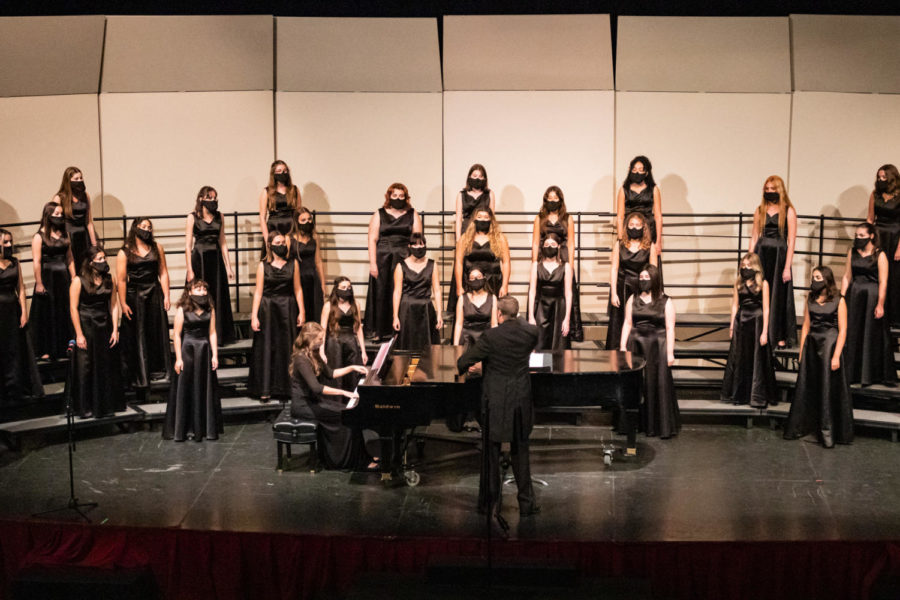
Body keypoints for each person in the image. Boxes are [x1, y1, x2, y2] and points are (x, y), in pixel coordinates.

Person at [457, 295, 540, 518]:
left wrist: (478, 366)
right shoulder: (531, 333)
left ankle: (489, 504)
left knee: (491, 453)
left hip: (495, 401)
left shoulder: (491, 336)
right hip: (520, 399)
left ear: (499, 314)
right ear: (518, 312)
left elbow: (464, 362)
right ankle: (526, 504)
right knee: (520, 451)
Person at [784, 267, 853, 448]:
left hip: (829, 345)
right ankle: (806, 426)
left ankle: (828, 431)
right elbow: (806, 325)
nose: (814, 280)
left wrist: (837, 354)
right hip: (812, 345)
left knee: (827, 387)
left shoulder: (839, 300)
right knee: (810, 385)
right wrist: (801, 352)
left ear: (827, 279)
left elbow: (843, 329)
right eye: (813, 277)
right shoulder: (811, 298)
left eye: (817, 277)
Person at [289, 322, 370, 469]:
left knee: (348, 411)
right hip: (303, 407)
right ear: (310, 339)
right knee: (346, 416)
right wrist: (344, 392)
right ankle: (344, 461)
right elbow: (316, 388)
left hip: (314, 402)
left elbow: (331, 373)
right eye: (320, 339)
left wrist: (351, 367)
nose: (322, 342)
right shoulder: (301, 359)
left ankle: (360, 457)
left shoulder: (313, 354)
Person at [620, 264, 679, 439]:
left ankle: (658, 426)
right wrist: (623, 346)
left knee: (657, 383)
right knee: (636, 385)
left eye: (647, 278)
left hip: (657, 346)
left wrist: (670, 352)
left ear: (654, 279)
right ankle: (634, 424)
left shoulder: (665, 300)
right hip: (636, 344)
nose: (643, 281)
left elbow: (670, 328)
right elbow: (627, 323)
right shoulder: (633, 298)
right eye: (641, 278)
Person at [117, 218, 172, 396]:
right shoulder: (124, 252)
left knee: (155, 331)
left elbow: (163, 272)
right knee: (138, 334)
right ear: (135, 229)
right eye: (143, 227)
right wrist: (123, 302)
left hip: (154, 292)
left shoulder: (157, 248)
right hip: (135, 295)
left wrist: (167, 295)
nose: (146, 230)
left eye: (149, 227)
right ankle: (140, 374)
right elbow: (121, 280)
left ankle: (158, 370)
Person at [248, 232, 304, 402]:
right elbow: (258, 293)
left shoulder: (293, 264)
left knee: (287, 347)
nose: (282, 245)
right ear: (270, 245)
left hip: (287, 308)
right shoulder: (262, 266)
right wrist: (254, 316)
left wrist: (302, 311)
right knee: (266, 347)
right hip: (268, 308)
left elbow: (298, 290)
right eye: (278, 242)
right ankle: (265, 388)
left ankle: (287, 388)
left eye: (283, 242)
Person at [164, 279, 222, 442]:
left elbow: (212, 333)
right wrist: (178, 358)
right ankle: (185, 429)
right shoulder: (183, 309)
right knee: (187, 388)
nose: (202, 292)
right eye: (198, 289)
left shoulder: (210, 309)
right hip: (188, 350)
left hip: (204, 350)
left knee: (203, 388)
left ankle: (203, 428)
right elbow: (176, 334)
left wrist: (215, 355)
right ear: (189, 292)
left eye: (204, 289)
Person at [69, 246, 123, 419]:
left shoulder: (109, 279)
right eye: (99, 259)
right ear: (90, 262)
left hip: (104, 325)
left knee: (104, 365)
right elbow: (73, 308)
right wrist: (79, 334)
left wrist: (115, 329)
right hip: (86, 325)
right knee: (86, 366)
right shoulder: (79, 280)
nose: (103, 262)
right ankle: (85, 407)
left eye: (104, 258)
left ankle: (105, 406)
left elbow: (114, 305)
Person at [364, 183, 423, 341]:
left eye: (401, 196)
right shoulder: (379, 214)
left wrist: (416, 262)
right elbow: (372, 239)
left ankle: (399, 331)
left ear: (406, 197)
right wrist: (373, 263)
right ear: (389, 196)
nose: (398, 199)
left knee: (402, 293)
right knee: (381, 294)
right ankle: (379, 332)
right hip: (383, 259)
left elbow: (418, 238)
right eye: (394, 196)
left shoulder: (412, 214)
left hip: (404, 258)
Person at [841, 223, 895, 386]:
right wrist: (842, 299)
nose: (858, 238)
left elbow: (883, 282)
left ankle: (871, 375)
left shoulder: (880, 255)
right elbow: (846, 277)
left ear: (871, 236)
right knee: (854, 332)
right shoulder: (852, 252)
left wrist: (880, 304)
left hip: (872, 296)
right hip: (855, 295)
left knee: (871, 334)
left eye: (862, 236)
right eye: (857, 235)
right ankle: (853, 374)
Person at [721, 253, 776, 407]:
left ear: (755, 267)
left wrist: (765, 331)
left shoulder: (763, 284)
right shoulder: (738, 283)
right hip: (742, 321)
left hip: (757, 322)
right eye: (743, 266)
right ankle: (740, 394)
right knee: (740, 357)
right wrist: (732, 325)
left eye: (748, 265)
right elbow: (734, 305)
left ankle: (757, 395)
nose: (745, 268)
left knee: (757, 358)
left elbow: (766, 308)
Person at [749, 175, 797, 348]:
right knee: (759, 293)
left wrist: (787, 267)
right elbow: (755, 236)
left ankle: (778, 334)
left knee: (778, 294)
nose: (769, 192)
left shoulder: (788, 210)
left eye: (773, 189)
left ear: (780, 190)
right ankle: (759, 331)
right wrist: (749, 260)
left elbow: (791, 240)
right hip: (761, 253)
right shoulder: (759, 210)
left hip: (779, 255)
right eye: (767, 189)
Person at [531, 186, 583, 341]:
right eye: (550, 198)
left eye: (555, 198)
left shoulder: (568, 219)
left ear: (560, 200)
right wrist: (535, 262)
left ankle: (566, 332)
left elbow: (572, 243)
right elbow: (535, 242)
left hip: (563, 259)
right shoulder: (539, 218)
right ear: (545, 200)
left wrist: (571, 266)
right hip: (544, 258)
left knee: (566, 294)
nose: (552, 201)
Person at [185, 186, 235, 345]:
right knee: (200, 296)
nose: (213, 200)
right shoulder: (192, 217)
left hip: (216, 260)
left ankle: (219, 336)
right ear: (201, 199)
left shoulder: (220, 216)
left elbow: (223, 242)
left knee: (218, 295)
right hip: (199, 259)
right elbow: (187, 246)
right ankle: (200, 334)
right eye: (209, 197)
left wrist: (229, 266)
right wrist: (189, 269)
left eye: (215, 198)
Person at [0, 230, 43, 407]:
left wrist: (24, 312)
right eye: (6, 242)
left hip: (12, 309)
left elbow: (22, 288)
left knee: (15, 349)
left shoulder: (14, 262)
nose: (10, 245)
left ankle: (16, 387)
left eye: (11, 242)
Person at [447, 164, 496, 313]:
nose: (477, 179)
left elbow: (492, 218)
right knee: (463, 266)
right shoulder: (461, 195)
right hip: (466, 233)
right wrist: (458, 240)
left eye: (481, 177)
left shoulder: (490, 194)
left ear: (485, 179)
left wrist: (492, 238)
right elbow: (459, 217)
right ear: (469, 178)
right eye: (474, 176)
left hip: (483, 232)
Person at [29, 202, 75, 360]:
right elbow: (36, 261)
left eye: (61, 214)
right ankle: (46, 350)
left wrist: (74, 278)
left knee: (64, 311)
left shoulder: (65, 234)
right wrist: (39, 282)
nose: (59, 217)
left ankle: (65, 347)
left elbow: (69, 258)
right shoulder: (39, 236)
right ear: (48, 216)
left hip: (63, 278)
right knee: (47, 314)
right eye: (56, 214)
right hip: (48, 278)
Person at [606, 212, 657, 350]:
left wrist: (652, 294)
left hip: (642, 289)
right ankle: (617, 358)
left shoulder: (649, 246)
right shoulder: (619, 244)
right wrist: (614, 294)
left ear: (643, 227)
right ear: (626, 226)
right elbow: (614, 269)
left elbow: (653, 272)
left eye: (638, 225)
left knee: (638, 322)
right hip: (623, 288)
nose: (634, 228)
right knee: (619, 322)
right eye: (631, 225)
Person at [392, 233, 442, 352]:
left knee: (427, 346)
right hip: (407, 309)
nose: (419, 247)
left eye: (421, 244)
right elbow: (397, 292)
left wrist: (439, 313)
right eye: (415, 244)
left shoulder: (432, 264)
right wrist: (395, 316)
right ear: (409, 246)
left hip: (426, 309)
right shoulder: (401, 266)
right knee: (407, 344)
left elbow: (437, 290)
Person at [867, 164, 900, 327]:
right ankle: (878, 312)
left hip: (895, 236)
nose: (880, 180)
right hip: (879, 235)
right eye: (878, 177)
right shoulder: (875, 195)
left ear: (892, 178)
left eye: (884, 177)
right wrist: (867, 239)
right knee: (877, 275)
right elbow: (870, 219)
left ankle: (894, 318)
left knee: (894, 277)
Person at [321, 277, 367, 391]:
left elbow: (359, 329)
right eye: (343, 287)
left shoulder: (355, 304)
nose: (347, 290)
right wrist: (321, 352)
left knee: (352, 376)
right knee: (337, 375)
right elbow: (322, 330)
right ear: (336, 289)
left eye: (349, 287)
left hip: (351, 343)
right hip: (334, 343)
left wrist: (363, 351)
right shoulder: (328, 305)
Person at [454, 208, 510, 303]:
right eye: (479, 217)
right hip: (471, 282)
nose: (482, 220)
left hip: (493, 282)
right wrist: (459, 287)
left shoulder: (500, 238)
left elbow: (506, 262)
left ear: (491, 220)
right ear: (474, 220)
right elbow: (459, 263)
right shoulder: (465, 238)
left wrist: (505, 286)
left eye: (486, 217)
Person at [528, 233, 572, 350]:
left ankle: (557, 368)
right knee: (540, 342)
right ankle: (542, 368)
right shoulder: (536, 265)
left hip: (559, 308)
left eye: (553, 244)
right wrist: (531, 316)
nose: (549, 247)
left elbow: (568, 293)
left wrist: (567, 318)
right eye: (547, 244)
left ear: (558, 247)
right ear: (543, 247)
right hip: (542, 308)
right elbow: (532, 292)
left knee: (558, 343)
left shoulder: (566, 266)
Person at [616, 156, 662, 260]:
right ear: (630, 170)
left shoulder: (654, 189)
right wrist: (620, 240)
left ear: (646, 172)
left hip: (648, 230)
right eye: (634, 169)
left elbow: (658, 216)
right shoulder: (624, 190)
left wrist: (658, 241)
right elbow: (620, 217)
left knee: (649, 261)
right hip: (628, 230)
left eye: (641, 170)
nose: (637, 173)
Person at [53, 166, 98, 267]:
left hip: (84, 237)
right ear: (68, 181)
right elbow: (53, 223)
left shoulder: (85, 196)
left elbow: (89, 222)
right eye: (76, 179)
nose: (80, 181)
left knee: (85, 267)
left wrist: (94, 245)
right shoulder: (60, 198)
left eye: (81, 178)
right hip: (69, 237)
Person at [289, 207, 326, 323]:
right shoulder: (289, 239)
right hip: (297, 278)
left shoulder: (315, 238)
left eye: (309, 219)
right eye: (303, 220)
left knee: (314, 309)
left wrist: (323, 284)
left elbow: (318, 261)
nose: (307, 222)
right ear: (297, 222)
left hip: (312, 277)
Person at [453, 267, 498, 347]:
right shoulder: (462, 298)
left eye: (479, 277)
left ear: (484, 278)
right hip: (466, 340)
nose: (476, 280)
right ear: (468, 281)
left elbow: (494, 324)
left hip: (486, 340)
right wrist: (455, 346)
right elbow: (459, 324)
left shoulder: (492, 298)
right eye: (472, 278)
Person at [258, 160, 301, 241]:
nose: (283, 173)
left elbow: (299, 213)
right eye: (279, 171)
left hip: (291, 227)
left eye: (285, 171)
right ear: (273, 174)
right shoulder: (266, 191)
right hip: (274, 228)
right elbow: (262, 217)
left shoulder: (294, 190)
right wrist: (267, 239)